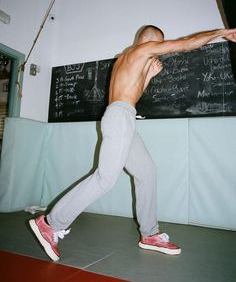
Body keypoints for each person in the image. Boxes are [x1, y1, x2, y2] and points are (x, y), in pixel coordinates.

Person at [29, 25, 236, 262]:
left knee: (147, 173)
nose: (157, 49)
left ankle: (149, 234)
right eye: (157, 43)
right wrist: (221, 33)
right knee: (104, 179)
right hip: (120, 118)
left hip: (124, 116)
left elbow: (130, 93)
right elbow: (187, 43)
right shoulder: (143, 50)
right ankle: (50, 223)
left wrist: (148, 76)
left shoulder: (124, 58)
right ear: (146, 40)